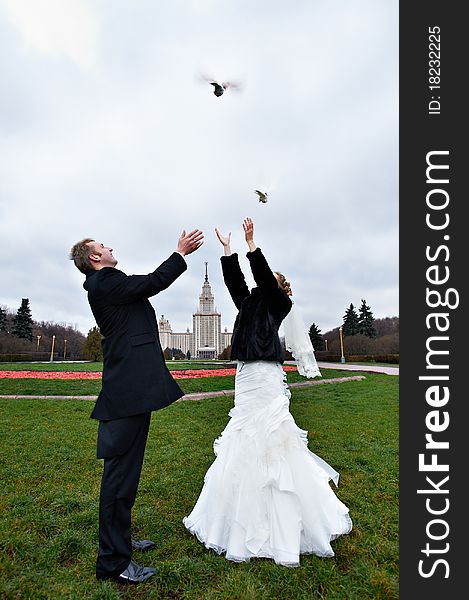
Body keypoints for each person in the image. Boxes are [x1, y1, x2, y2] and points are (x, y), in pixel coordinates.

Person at [183, 218, 351, 567]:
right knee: (243, 440)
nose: (262, 283)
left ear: (278, 286)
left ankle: (284, 523)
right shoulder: (247, 303)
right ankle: (236, 516)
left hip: (265, 376)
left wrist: (251, 244)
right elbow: (236, 282)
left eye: (269, 280)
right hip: (244, 377)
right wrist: (228, 251)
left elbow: (260, 276)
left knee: (272, 440)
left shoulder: (278, 304)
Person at [70, 229, 204, 584]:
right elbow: (153, 282)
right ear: (95, 258)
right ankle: (113, 563)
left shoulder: (107, 284)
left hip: (133, 390)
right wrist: (180, 253)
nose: (110, 246)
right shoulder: (105, 282)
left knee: (127, 475)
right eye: (103, 246)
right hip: (125, 393)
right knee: (118, 479)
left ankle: (121, 540)